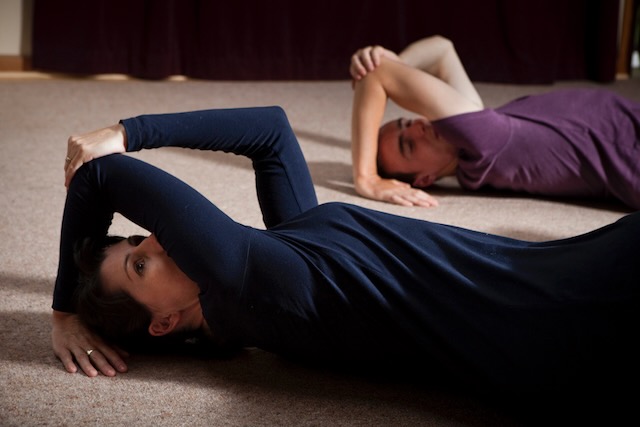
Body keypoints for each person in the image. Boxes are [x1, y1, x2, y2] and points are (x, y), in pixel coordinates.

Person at [53, 106, 638, 400]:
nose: (155, 238)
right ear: (163, 323)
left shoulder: (287, 252)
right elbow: (101, 176)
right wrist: (63, 310)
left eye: (137, 238)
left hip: (558, 282)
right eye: (139, 265)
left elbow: (271, 131)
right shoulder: (245, 285)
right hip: (567, 318)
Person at [349, 35, 640, 208]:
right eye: (408, 145)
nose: (418, 127)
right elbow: (378, 75)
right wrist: (367, 179)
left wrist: (393, 62)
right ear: (424, 180)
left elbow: (441, 50)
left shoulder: (481, 142)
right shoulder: (484, 144)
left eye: (406, 122)